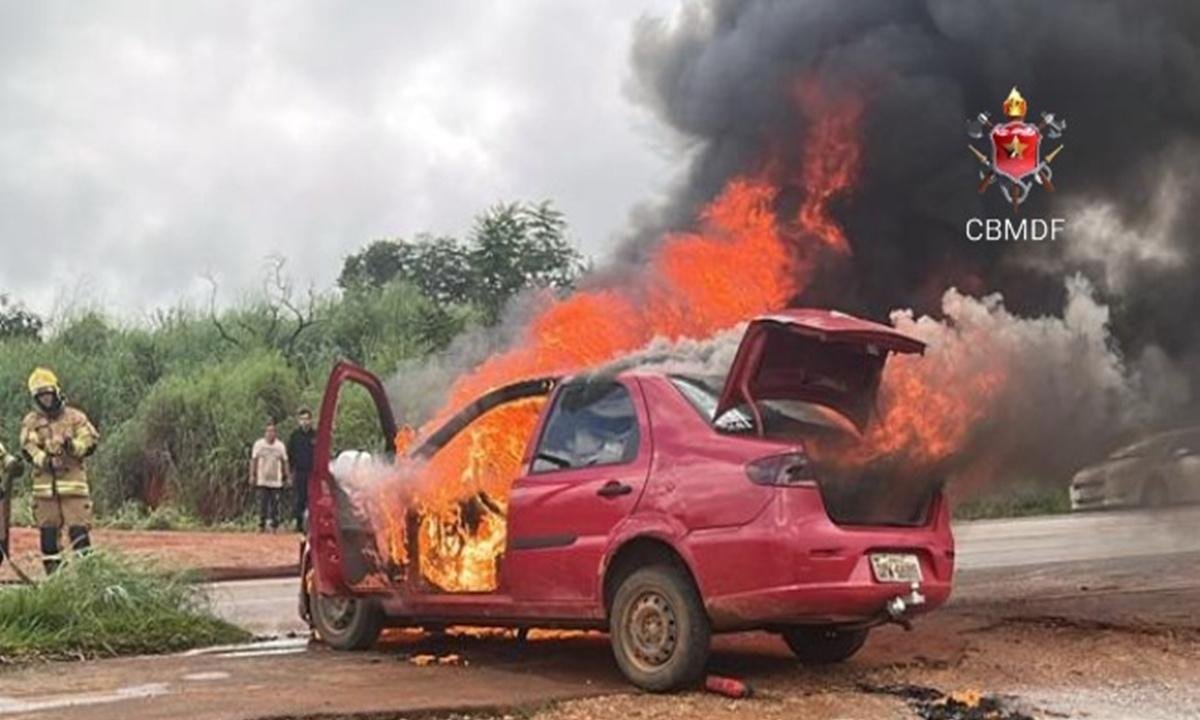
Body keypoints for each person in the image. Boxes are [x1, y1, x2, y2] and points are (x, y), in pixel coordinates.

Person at [19, 367, 100, 574]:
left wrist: (71, 446)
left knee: (79, 533)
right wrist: (45, 460)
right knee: (48, 537)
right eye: (41, 397)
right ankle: (55, 582)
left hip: (73, 488)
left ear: (56, 392)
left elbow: (89, 442)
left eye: (47, 394)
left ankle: (89, 579)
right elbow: (28, 448)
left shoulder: (75, 417)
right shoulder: (32, 422)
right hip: (45, 491)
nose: (45, 400)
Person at [250, 422, 289, 531]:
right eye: (268, 431)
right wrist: (252, 475)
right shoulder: (259, 445)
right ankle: (261, 524)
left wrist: (287, 476)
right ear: (265, 433)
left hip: (276, 480)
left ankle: (274, 524)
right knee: (262, 503)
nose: (270, 434)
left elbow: (285, 461)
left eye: (272, 431)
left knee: (275, 504)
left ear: (275, 433)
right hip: (262, 479)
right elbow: (254, 460)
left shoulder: (280, 446)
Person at [286, 407, 316, 532]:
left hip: (314, 472)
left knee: (313, 498)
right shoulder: (294, 436)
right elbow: (289, 455)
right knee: (300, 498)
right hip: (300, 472)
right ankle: (299, 524)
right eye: (302, 419)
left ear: (311, 420)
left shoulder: (316, 435)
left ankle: (312, 525)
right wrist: (290, 474)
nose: (305, 421)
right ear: (299, 421)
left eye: (307, 419)